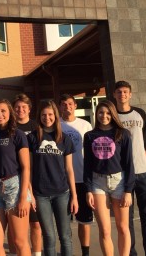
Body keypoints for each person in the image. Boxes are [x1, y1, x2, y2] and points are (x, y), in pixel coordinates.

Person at [84, 100, 135, 256]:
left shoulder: (123, 133)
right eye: (101, 112)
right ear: (96, 114)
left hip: (119, 182)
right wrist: (88, 190)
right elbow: (87, 164)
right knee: (105, 230)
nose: (104, 116)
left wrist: (128, 190)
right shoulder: (90, 136)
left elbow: (129, 164)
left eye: (107, 113)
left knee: (122, 227)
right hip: (97, 183)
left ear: (112, 114)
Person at [114, 81, 146, 256]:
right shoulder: (113, 116)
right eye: (119, 92)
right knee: (127, 220)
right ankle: (131, 253)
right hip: (122, 176)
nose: (122, 94)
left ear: (130, 94)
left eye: (125, 92)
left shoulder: (140, 113)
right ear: (114, 95)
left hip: (143, 173)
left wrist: (139, 163)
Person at [27, 100, 78, 256]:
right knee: (48, 237)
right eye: (43, 115)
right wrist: (31, 195)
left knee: (65, 236)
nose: (47, 118)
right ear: (39, 117)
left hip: (62, 193)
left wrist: (74, 196)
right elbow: (28, 168)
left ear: (55, 116)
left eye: (50, 114)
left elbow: (69, 169)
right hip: (40, 194)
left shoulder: (64, 139)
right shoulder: (32, 138)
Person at [0, 99, 31, 256]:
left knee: (19, 241)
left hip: (14, 187)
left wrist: (23, 197)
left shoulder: (17, 134)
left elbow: (26, 167)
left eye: (3, 111)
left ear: (10, 113)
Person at [59, 94, 93, 256]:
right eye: (64, 104)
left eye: (70, 104)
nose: (67, 107)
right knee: (65, 222)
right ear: (60, 107)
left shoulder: (85, 125)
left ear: (75, 106)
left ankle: (85, 252)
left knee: (84, 220)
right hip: (62, 182)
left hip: (82, 178)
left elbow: (93, 152)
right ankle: (68, 252)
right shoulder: (56, 125)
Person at [12, 93, 41, 256]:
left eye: (23, 107)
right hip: (16, 181)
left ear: (29, 109)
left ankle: (36, 253)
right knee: (16, 227)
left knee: (36, 224)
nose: (20, 110)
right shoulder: (10, 128)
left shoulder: (37, 127)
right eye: (17, 107)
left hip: (36, 180)